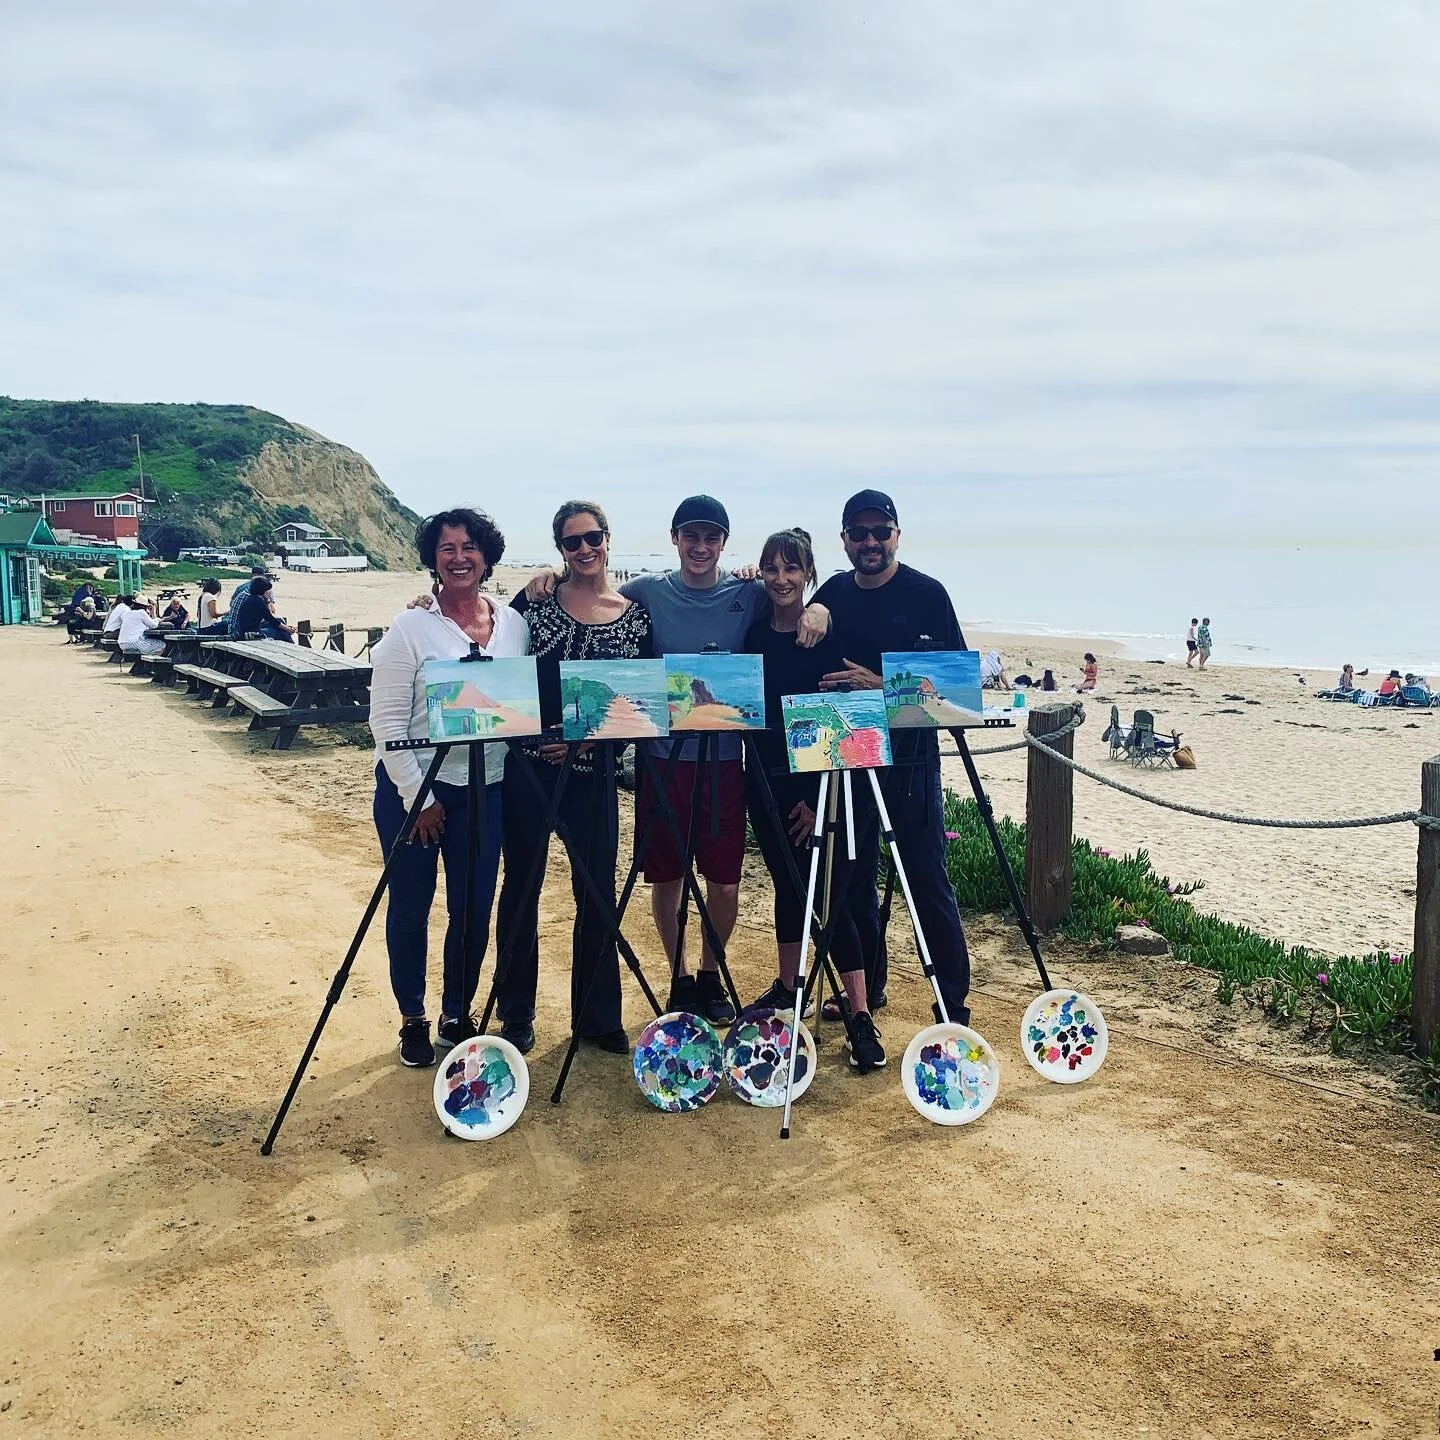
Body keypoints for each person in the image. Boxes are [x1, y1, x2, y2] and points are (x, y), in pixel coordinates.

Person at [525, 494, 828, 1026]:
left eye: (711, 537)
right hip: (660, 761)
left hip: (725, 762)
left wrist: (822, 608)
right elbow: (594, 592)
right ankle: (680, 976)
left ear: (724, 543)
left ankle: (712, 973)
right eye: (691, 536)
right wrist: (547, 576)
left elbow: (791, 598)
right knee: (665, 877)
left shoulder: (750, 592)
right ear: (675, 540)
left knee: (725, 879)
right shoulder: (646, 592)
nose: (701, 546)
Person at [369, 508, 529, 1068]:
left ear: (486, 556)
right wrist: (421, 802)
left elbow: (516, 709)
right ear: (432, 558)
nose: (458, 557)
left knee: (473, 909)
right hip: (412, 792)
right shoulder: (410, 627)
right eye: (446, 548)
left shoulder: (513, 625)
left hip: (485, 790)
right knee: (410, 906)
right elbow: (387, 726)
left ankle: (456, 1011)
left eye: (469, 547)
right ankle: (412, 1016)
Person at [491, 501, 651, 1056]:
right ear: (559, 550)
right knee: (520, 890)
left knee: (597, 893)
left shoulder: (634, 617)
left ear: (608, 540)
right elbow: (494, 655)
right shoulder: (534, 604)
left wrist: (588, 739)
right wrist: (425, 602)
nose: (585, 550)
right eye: (571, 543)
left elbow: (640, 705)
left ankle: (597, 1014)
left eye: (593, 539)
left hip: (596, 774)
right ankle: (515, 1013)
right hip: (528, 772)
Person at [809, 488, 973, 1028]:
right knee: (852, 881)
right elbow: (792, 613)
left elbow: (958, 694)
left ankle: (952, 1002)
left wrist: (880, 687)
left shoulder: (928, 594)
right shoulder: (832, 592)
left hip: (912, 762)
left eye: (882, 531)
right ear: (845, 540)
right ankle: (866, 989)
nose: (871, 541)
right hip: (850, 755)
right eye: (860, 533)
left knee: (925, 878)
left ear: (897, 534)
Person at [743, 527, 885, 1071]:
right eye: (772, 569)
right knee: (788, 886)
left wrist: (816, 801)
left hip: (823, 788)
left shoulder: (827, 636)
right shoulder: (754, 638)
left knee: (835, 898)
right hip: (765, 784)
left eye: (791, 569)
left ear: (808, 575)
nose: (781, 579)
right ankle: (788, 987)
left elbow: (846, 721)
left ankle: (858, 1011)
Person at [231, 578, 295, 641]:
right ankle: (292, 645)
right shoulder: (259, 601)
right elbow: (271, 619)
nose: (269, 593)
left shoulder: (250, 598)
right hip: (249, 634)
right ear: (263, 590)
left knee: (280, 623)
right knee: (282, 632)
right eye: (268, 591)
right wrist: (288, 629)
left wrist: (266, 600)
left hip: (242, 631)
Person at [229, 567, 272, 637]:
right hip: (243, 632)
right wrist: (267, 600)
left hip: (234, 627)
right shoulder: (263, 589)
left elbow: (231, 604)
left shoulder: (242, 589)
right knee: (277, 630)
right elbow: (271, 613)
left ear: (251, 574)